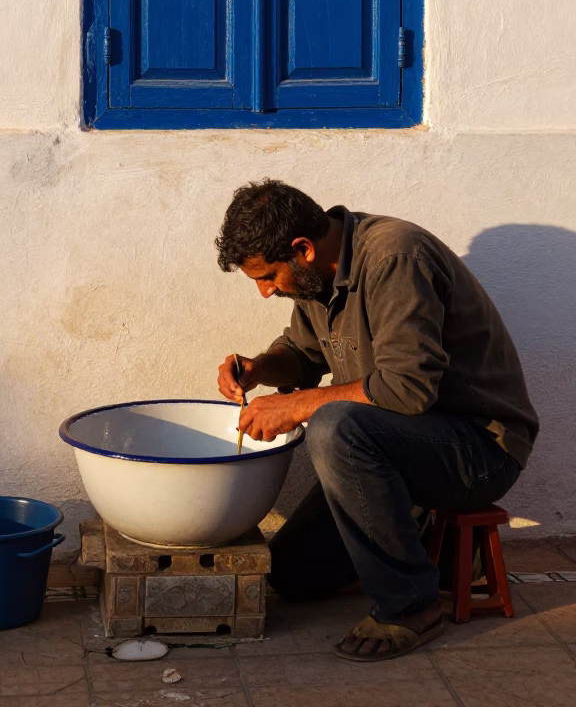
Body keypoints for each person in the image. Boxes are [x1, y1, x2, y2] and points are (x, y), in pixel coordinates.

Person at [215, 180, 538, 662]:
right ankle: (430, 541)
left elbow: (407, 388)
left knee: (334, 425)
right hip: (405, 445)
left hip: (479, 449)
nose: (265, 292)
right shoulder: (315, 274)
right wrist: (260, 368)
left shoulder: (395, 257)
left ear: (301, 249)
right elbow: (303, 356)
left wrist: (298, 404)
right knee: (292, 577)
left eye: (267, 276)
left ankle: (410, 607)